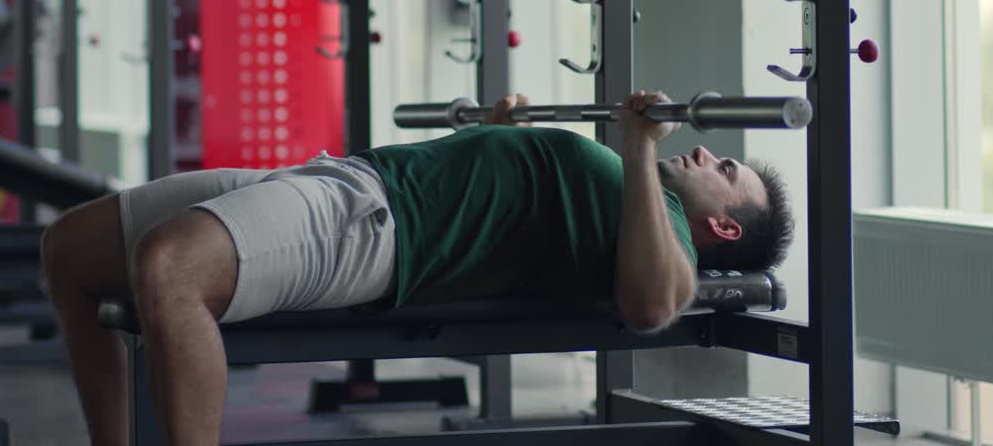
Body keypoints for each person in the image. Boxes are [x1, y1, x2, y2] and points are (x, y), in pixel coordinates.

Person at [40, 90, 793, 446]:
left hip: (375, 225)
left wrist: (637, 147)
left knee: (172, 268)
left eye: (725, 168)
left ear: (723, 225)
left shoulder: (670, 241)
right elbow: (523, 217)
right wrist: (501, 141)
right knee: (70, 251)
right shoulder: (637, 205)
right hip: (345, 180)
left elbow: (653, 304)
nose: (703, 152)